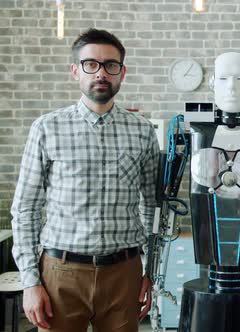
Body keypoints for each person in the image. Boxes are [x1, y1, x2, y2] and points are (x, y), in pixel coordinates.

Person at [11, 28, 158, 332]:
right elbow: (25, 209)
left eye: (110, 65)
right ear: (75, 70)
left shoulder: (143, 132)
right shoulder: (46, 128)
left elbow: (153, 208)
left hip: (124, 273)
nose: (101, 73)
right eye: (91, 64)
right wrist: (30, 282)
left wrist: (150, 271)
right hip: (60, 274)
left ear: (122, 72)